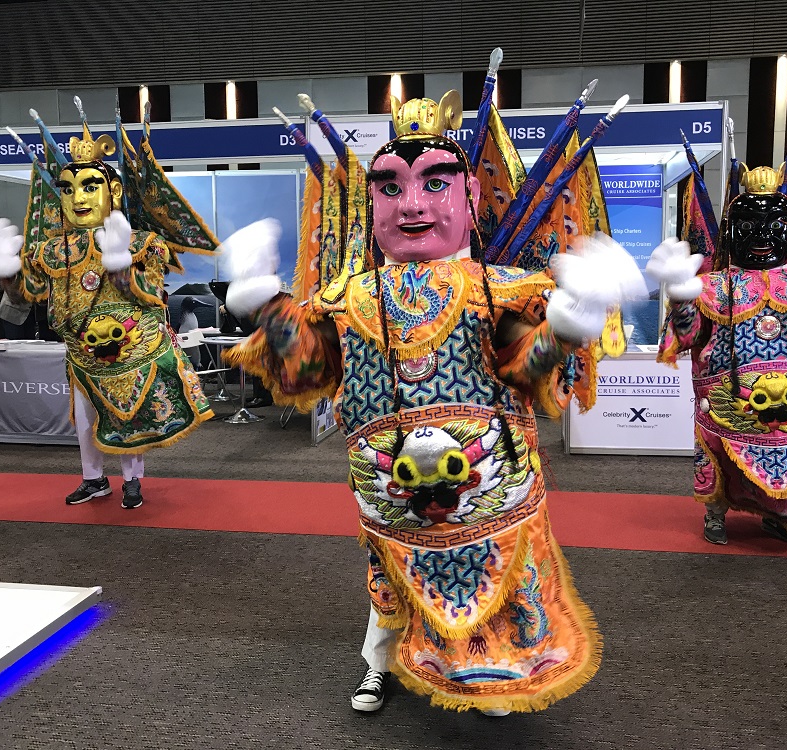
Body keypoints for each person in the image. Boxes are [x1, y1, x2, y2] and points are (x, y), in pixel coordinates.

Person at [223, 91, 643, 715]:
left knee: (497, 581)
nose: (412, 205)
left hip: (486, 488)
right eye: (391, 188)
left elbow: (525, 367)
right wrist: (270, 306)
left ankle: (496, 677)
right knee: (391, 583)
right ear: (372, 202)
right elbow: (309, 367)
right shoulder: (347, 296)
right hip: (390, 489)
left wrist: (567, 325)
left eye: (434, 183)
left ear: (469, 195)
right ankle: (378, 665)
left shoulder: (500, 290)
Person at [0, 118, 215, 509]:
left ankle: (132, 481)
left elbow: (152, 293)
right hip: (80, 354)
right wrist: (5, 268)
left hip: (131, 352)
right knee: (85, 421)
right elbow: (25, 296)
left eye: (89, 186)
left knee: (129, 417)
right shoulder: (52, 250)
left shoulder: (142, 242)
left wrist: (120, 261)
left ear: (113, 190)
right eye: (68, 189)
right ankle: (93, 479)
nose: (78, 198)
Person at [649, 165, 787, 546]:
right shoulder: (711, 287)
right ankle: (715, 512)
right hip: (730, 400)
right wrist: (682, 298)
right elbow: (687, 336)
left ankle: (779, 515)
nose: (762, 237)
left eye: (775, 226)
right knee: (722, 457)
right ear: (730, 231)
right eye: (748, 226)